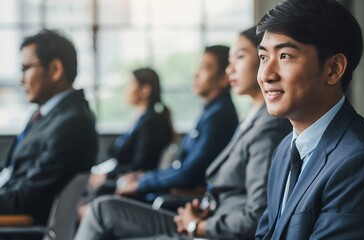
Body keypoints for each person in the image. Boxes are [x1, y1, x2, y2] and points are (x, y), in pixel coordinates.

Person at [74, 27, 292, 240]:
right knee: (104, 207)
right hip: (207, 215)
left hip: (209, 227)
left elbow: (256, 215)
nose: (229, 69)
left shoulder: (260, 125)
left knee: (101, 209)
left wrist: (197, 224)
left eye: (240, 57)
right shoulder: (249, 119)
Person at [254, 0, 364, 239]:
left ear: (333, 69)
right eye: (263, 57)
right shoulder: (285, 150)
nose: (266, 75)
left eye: (285, 56)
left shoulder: (362, 164)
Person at [98, 45, 238, 201]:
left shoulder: (219, 117)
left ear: (224, 78)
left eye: (204, 68)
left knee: (103, 199)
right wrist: (143, 178)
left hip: (183, 199)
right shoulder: (210, 113)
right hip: (174, 190)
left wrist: (142, 182)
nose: (195, 75)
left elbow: (188, 173)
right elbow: (181, 167)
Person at [0, 29, 98, 226]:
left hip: (18, 227)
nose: (21, 79)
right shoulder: (45, 116)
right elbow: (13, 171)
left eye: (26, 68)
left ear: (55, 69)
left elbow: (28, 198)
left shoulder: (72, 124)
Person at [86, 68, 173, 197]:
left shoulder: (151, 122)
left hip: (132, 178)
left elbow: (142, 163)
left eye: (131, 84)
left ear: (145, 90)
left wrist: (107, 175)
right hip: (118, 172)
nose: (126, 90)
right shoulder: (140, 118)